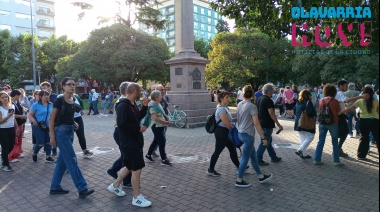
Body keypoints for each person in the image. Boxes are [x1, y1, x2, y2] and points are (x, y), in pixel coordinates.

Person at [107, 83, 152, 208]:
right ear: (134, 92)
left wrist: (144, 107)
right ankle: (137, 198)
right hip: (129, 141)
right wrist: (138, 128)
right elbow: (121, 124)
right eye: (140, 93)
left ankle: (115, 185)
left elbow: (137, 117)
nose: (141, 95)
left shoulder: (131, 105)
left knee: (128, 165)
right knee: (136, 169)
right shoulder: (123, 105)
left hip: (134, 140)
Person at [49, 77, 94, 198]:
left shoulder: (73, 99)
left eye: (73, 84)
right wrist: (52, 137)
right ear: (63, 86)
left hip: (70, 131)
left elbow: (68, 115)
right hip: (61, 133)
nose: (72, 86)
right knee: (72, 159)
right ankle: (82, 188)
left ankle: (54, 187)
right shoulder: (59, 100)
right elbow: (52, 119)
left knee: (62, 162)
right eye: (69, 84)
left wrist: (74, 122)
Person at [235, 85, 273, 187]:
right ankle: (239, 179)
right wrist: (263, 138)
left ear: (243, 94)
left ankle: (260, 176)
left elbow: (238, 119)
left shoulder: (240, 104)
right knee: (245, 158)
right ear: (252, 95)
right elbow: (256, 123)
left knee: (253, 156)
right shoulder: (252, 106)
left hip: (241, 133)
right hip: (248, 135)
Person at [207, 91, 240, 177]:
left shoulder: (223, 107)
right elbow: (226, 123)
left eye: (228, 97)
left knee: (232, 149)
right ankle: (210, 169)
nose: (228, 99)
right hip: (222, 132)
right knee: (218, 151)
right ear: (221, 99)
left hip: (224, 132)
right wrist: (233, 129)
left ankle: (240, 166)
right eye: (226, 97)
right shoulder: (221, 108)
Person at [339, 87, 378, 159]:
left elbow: (350, 109)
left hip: (363, 121)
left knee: (364, 138)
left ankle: (360, 155)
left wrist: (341, 112)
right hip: (375, 121)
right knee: (377, 138)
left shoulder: (360, 101)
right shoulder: (376, 101)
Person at [107, 82, 133, 188]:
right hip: (121, 132)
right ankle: (125, 180)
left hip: (122, 132)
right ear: (127, 90)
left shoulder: (127, 101)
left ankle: (114, 170)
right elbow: (122, 123)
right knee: (127, 156)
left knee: (126, 155)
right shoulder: (122, 102)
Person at [313, 84, 344, 166]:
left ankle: (317, 159)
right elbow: (338, 112)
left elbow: (319, 111)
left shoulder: (321, 100)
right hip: (333, 123)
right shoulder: (335, 101)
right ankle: (336, 160)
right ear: (334, 92)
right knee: (334, 141)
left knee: (321, 141)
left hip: (322, 123)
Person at [57, 93, 94, 157]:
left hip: (78, 118)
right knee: (68, 137)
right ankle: (63, 154)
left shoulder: (76, 97)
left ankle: (85, 150)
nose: (72, 88)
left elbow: (81, 103)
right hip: (68, 119)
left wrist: (81, 110)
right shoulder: (61, 97)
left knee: (81, 135)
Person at [335, 80, 365, 157]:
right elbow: (347, 100)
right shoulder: (339, 93)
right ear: (340, 86)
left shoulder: (337, 92)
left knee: (342, 132)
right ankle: (337, 149)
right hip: (340, 115)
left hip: (340, 114)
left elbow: (344, 101)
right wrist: (361, 96)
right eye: (345, 86)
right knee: (345, 131)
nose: (346, 88)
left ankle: (338, 149)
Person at [256, 84, 283, 166]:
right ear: (270, 91)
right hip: (267, 124)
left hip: (261, 123)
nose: (273, 92)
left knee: (268, 141)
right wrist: (278, 124)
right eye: (272, 91)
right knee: (265, 142)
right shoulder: (268, 100)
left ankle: (273, 157)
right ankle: (258, 159)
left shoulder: (260, 98)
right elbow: (271, 113)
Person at [145, 90, 171, 166]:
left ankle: (148, 155)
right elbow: (155, 118)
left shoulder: (157, 103)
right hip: (156, 126)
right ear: (156, 97)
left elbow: (163, 112)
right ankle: (164, 160)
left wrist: (167, 118)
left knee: (156, 141)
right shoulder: (151, 105)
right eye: (160, 95)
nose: (161, 97)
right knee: (162, 142)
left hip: (161, 126)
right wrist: (165, 122)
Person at [28, 90, 54, 163]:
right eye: (44, 95)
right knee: (41, 143)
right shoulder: (35, 105)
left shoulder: (51, 105)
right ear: (40, 96)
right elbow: (30, 115)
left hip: (48, 126)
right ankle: (35, 153)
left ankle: (48, 157)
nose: (46, 97)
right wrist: (34, 121)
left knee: (49, 142)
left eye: (47, 95)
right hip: (38, 126)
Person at [294, 89, 317, 160]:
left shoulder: (298, 102)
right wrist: (315, 115)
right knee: (310, 137)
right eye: (310, 95)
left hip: (298, 122)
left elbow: (295, 111)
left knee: (303, 138)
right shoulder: (308, 102)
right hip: (305, 122)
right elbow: (311, 113)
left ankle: (303, 153)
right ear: (307, 95)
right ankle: (300, 150)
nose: (311, 96)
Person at [0, 91, 19, 172]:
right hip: (2, 129)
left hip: (11, 128)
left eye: (6, 97)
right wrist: (8, 116)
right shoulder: (0, 108)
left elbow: (13, 117)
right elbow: (0, 121)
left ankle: (3, 157)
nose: (5, 98)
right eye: (3, 97)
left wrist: (17, 127)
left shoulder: (11, 106)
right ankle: (5, 164)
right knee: (5, 146)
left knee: (11, 145)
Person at [9, 90, 27, 163]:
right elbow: (11, 115)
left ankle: (18, 152)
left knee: (19, 139)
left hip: (20, 123)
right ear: (16, 95)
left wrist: (23, 111)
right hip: (14, 123)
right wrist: (22, 116)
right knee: (15, 140)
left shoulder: (17, 102)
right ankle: (12, 155)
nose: (19, 97)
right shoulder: (10, 103)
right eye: (19, 95)